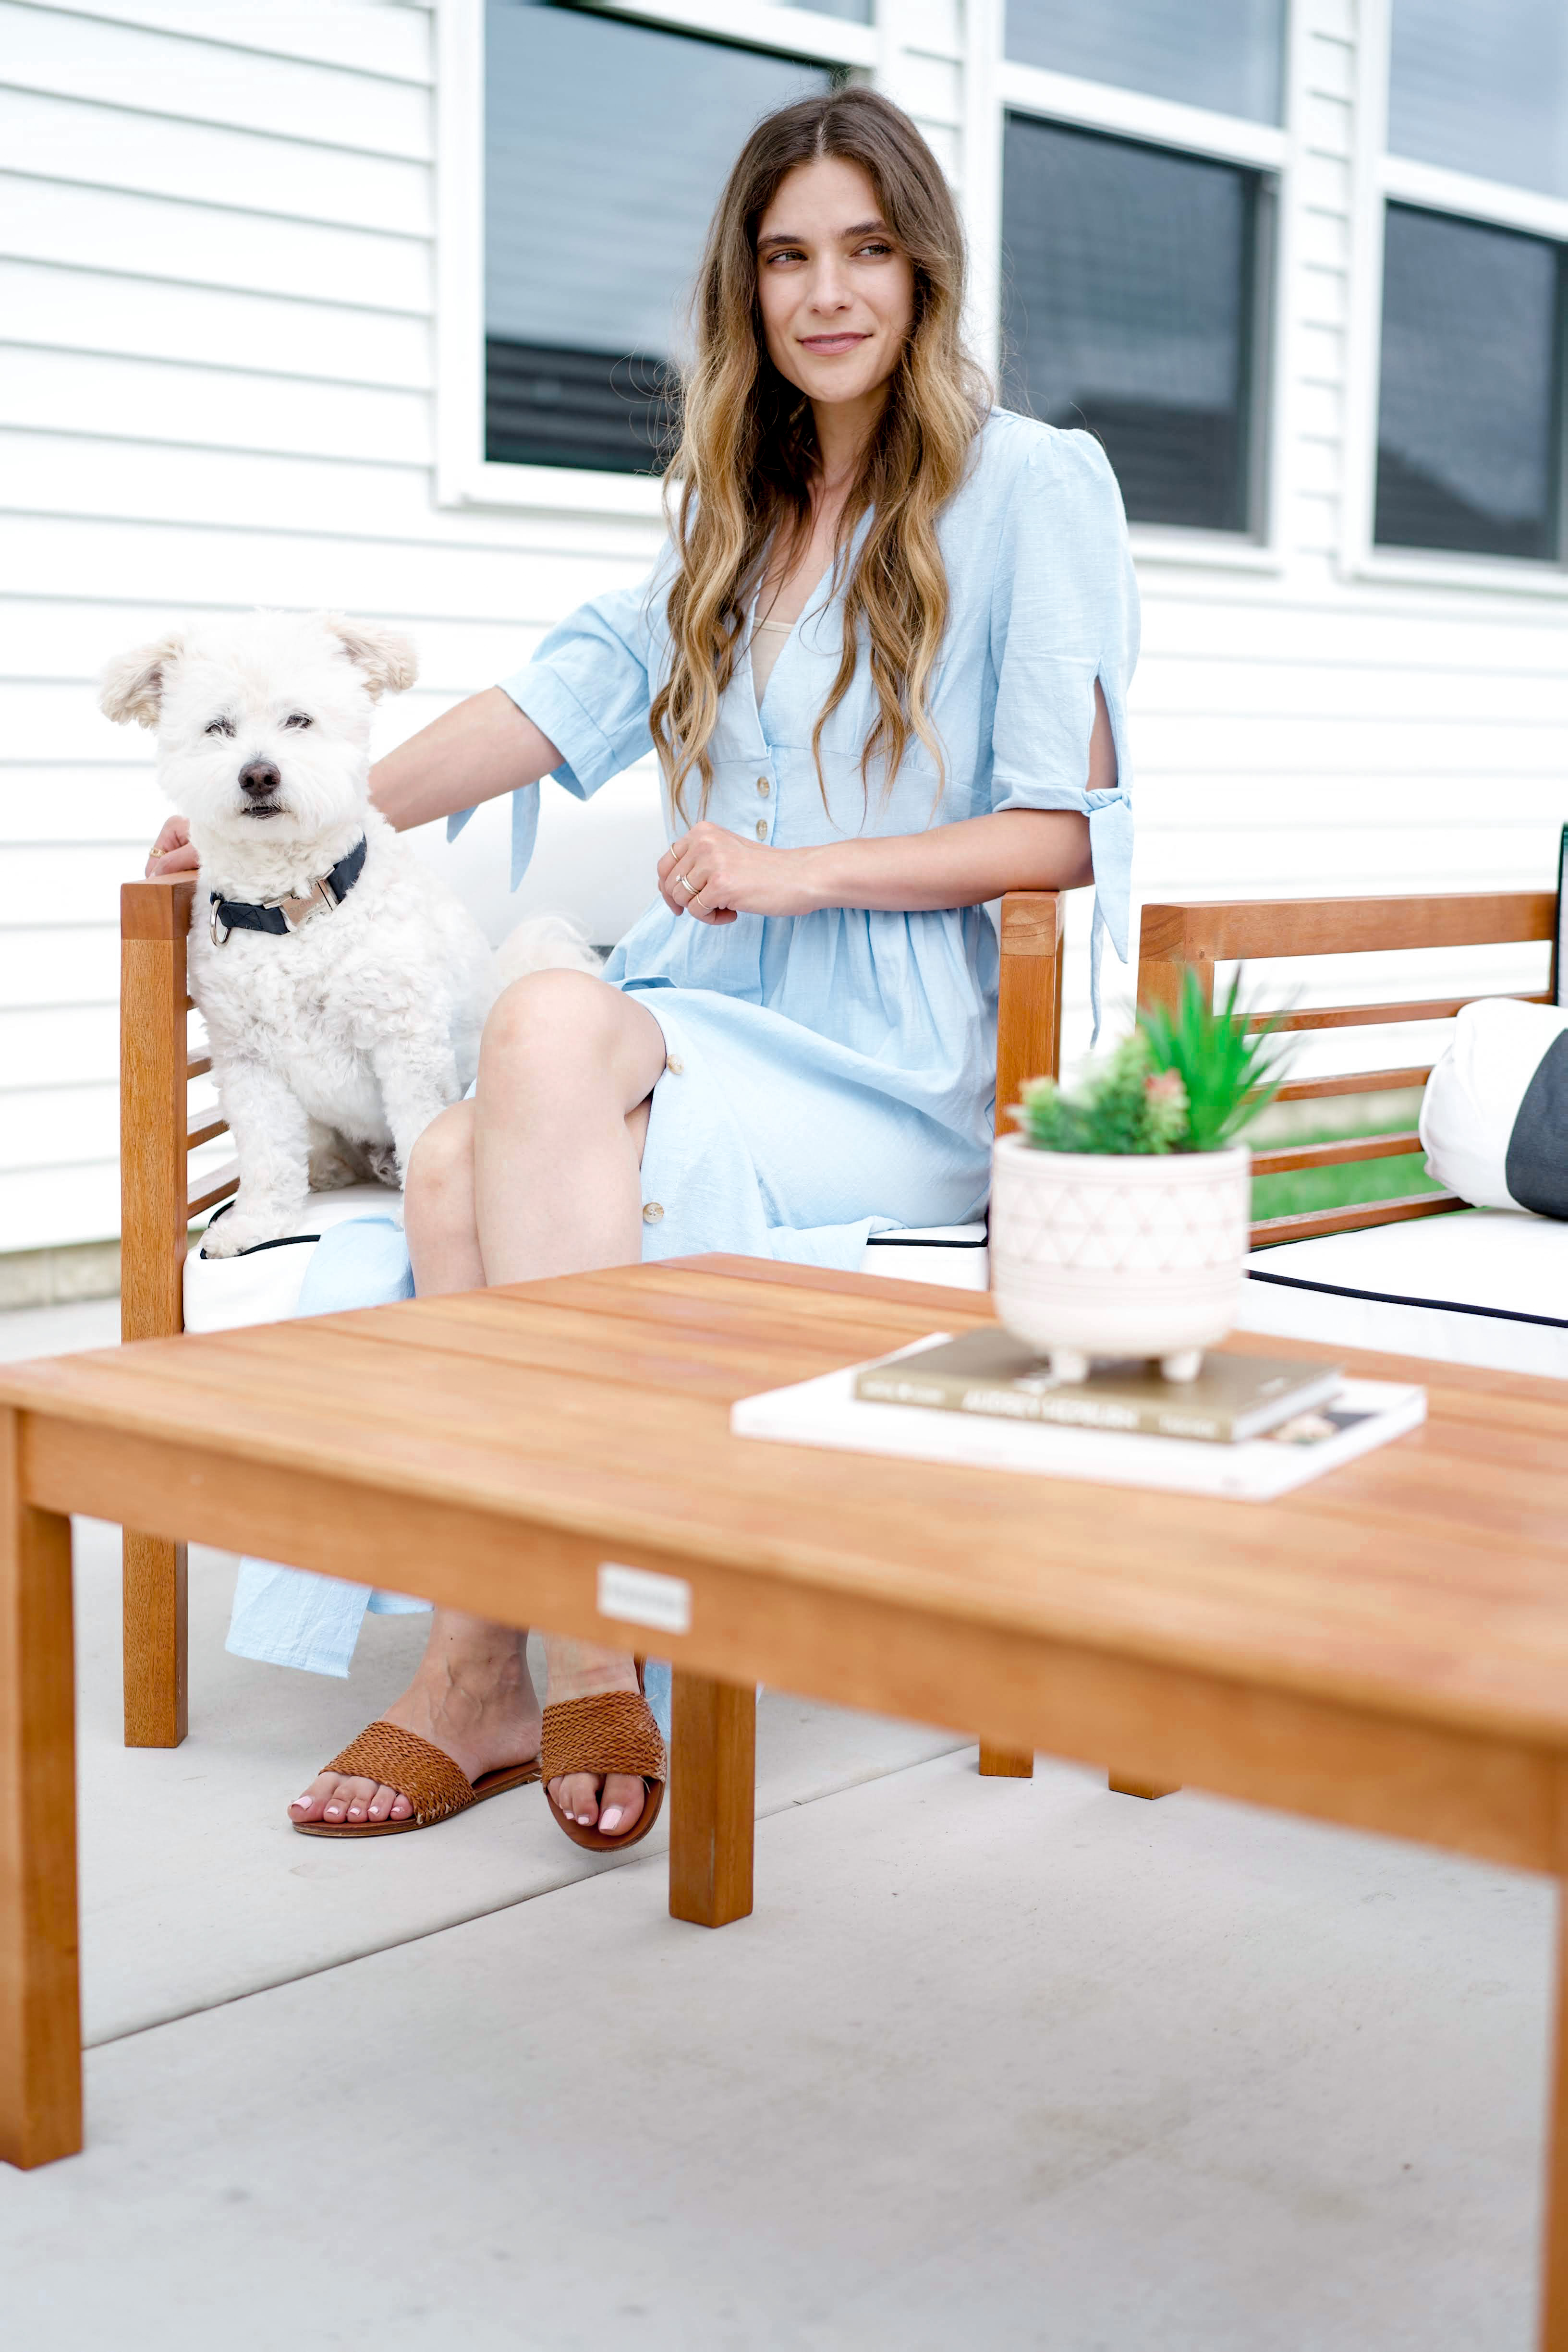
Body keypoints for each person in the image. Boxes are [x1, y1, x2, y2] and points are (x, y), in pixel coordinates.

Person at [147, 85, 1137, 1849]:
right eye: (785, 257)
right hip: (703, 1017)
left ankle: (490, 1668)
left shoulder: (1032, 485)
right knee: (464, 1142)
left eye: (864, 251)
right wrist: (282, 819)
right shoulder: (722, 514)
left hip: (888, 1058)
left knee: (527, 1041)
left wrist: (796, 868)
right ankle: (537, 1658)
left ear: (922, 272)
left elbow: (1066, 827)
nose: (825, 292)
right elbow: (540, 715)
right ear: (743, 287)